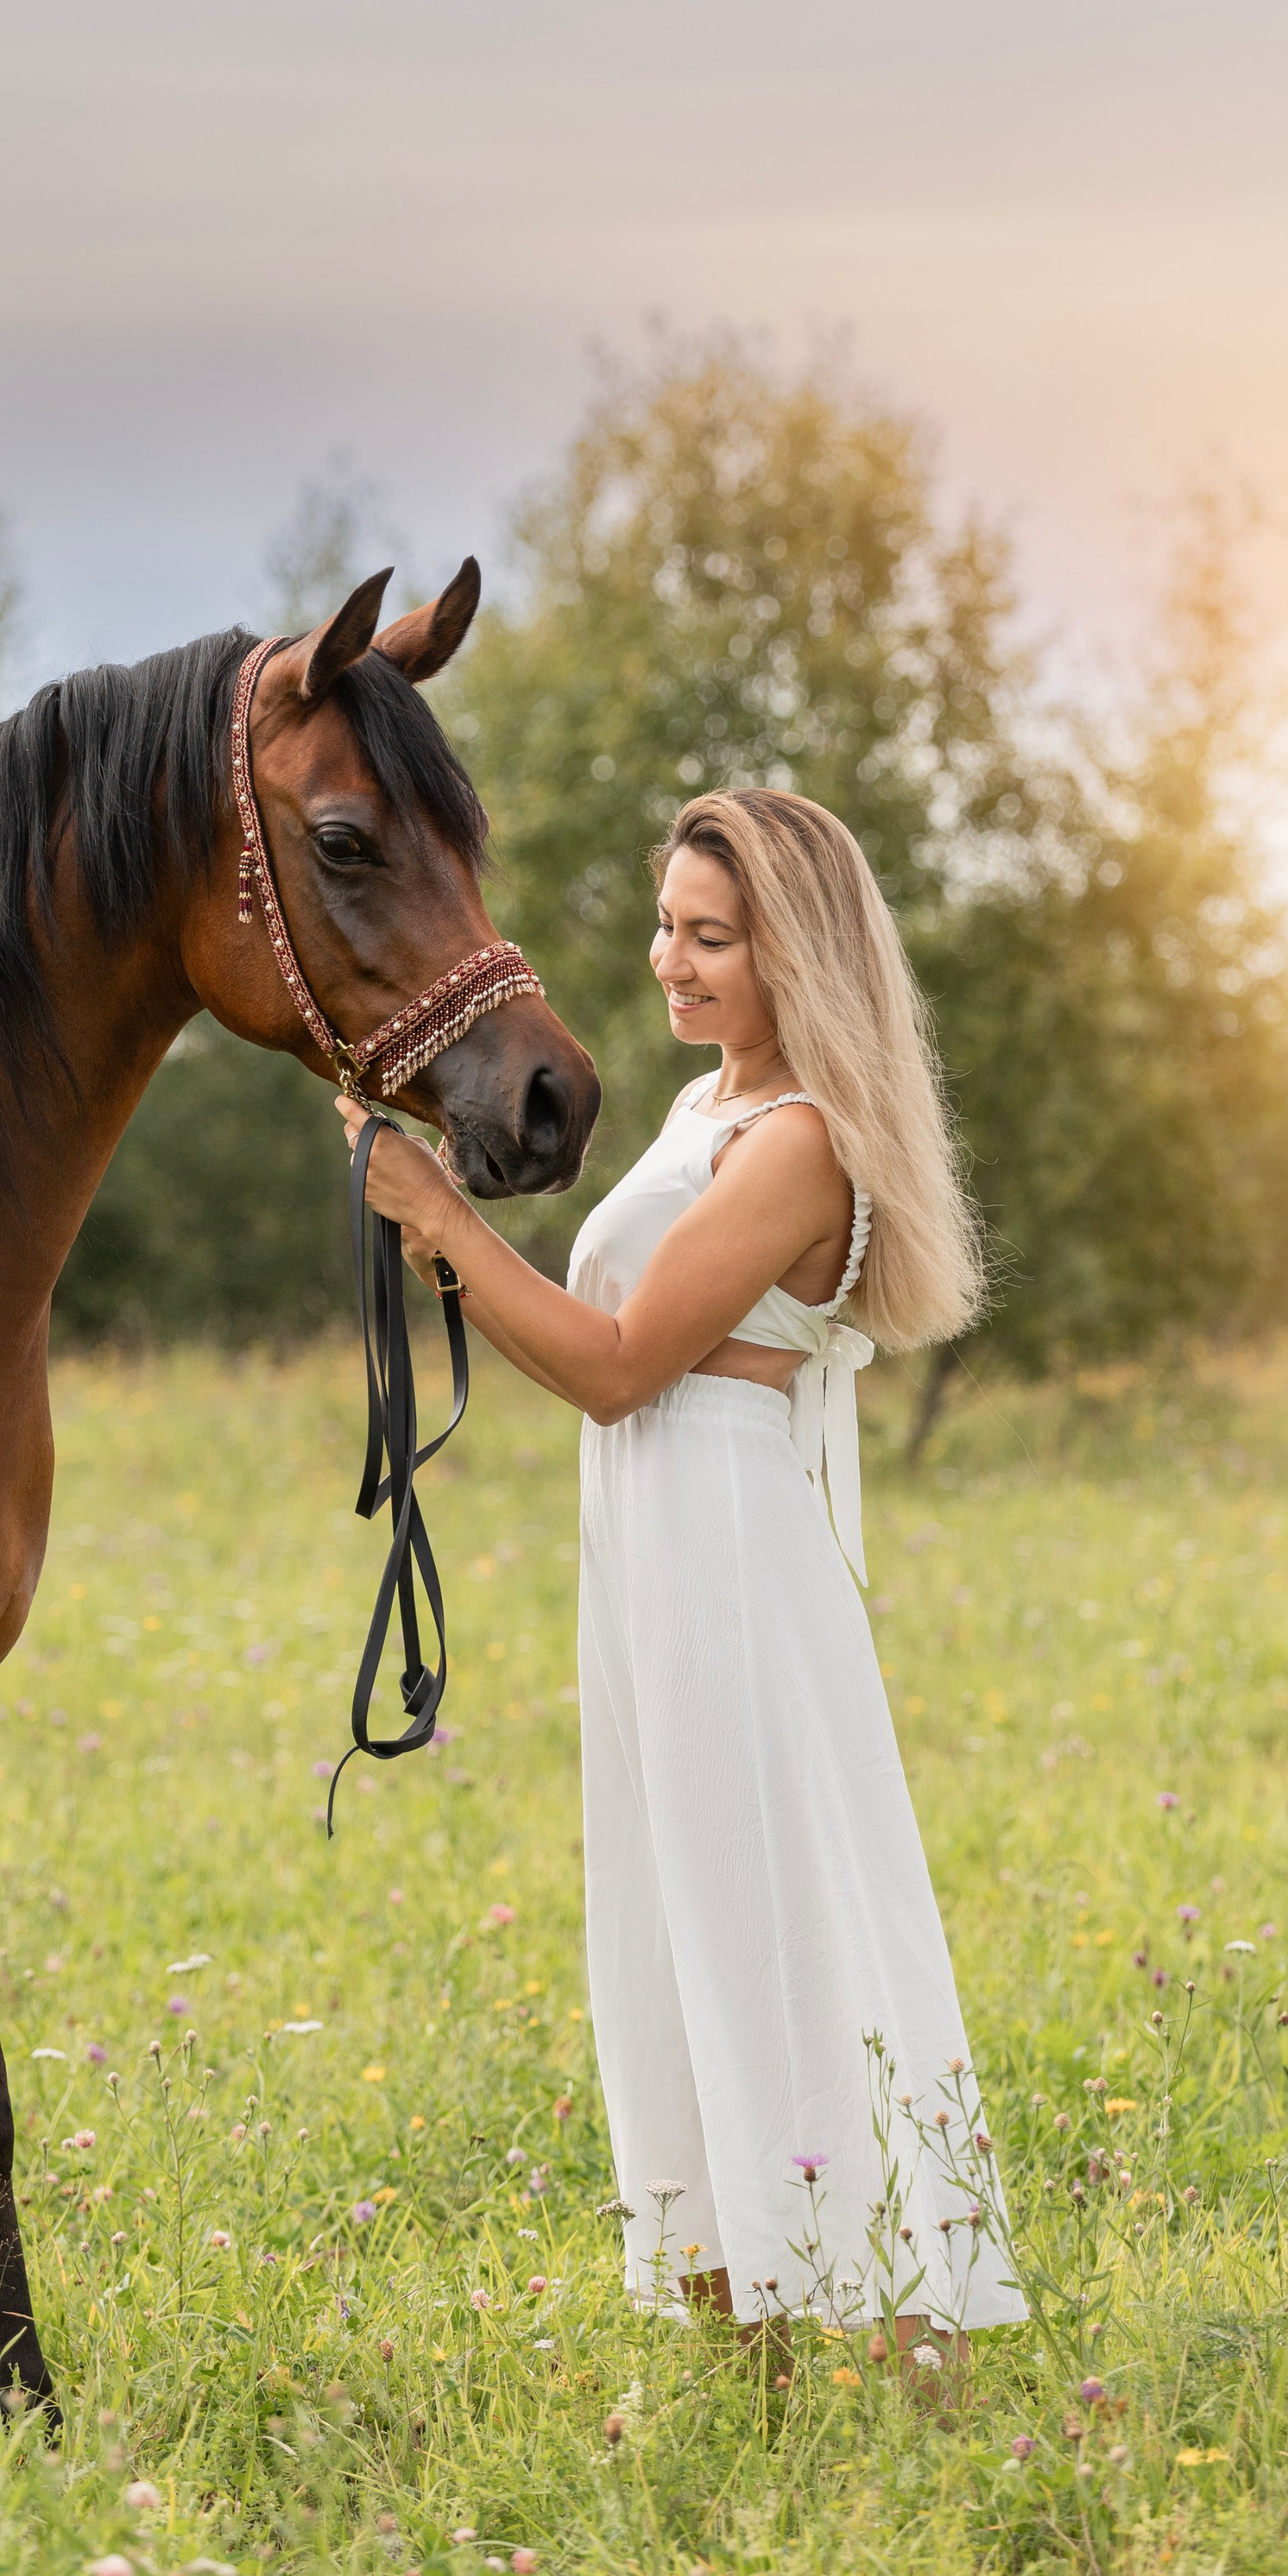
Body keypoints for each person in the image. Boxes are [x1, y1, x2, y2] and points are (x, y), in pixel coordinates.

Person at [338, 786, 1025, 2357]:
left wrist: (443, 1221)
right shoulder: (703, 1111)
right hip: (648, 1539)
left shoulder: (799, 1146)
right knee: (668, 1904)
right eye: (668, 925)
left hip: (721, 1536)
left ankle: (886, 2302)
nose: (672, 960)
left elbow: (623, 1365)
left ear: (798, 953)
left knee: (762, 1899)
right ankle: (743, 2296)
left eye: (712, 936)